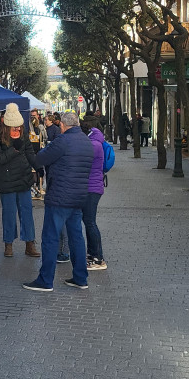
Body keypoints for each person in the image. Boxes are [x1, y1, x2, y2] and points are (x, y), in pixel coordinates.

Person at [22, 112, 93, 292]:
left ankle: (45, 280)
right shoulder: (86, 141)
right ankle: (80, 277)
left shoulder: (62, 141)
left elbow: (40, 159)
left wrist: (29, 148)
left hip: (60, 196)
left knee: (50, 237)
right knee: (76, 236)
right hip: (78, 196)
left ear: (62, 125)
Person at [56, 115, 108, 269]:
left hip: (91, 188)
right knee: (88, 221)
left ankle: (98, 258)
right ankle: (93, 255)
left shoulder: (93, 145)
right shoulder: (93, 143)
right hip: (89, 187)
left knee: (90, 222)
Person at [0, 103, 40, 258]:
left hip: (23, 178)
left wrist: (38, 166)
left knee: (27, 213)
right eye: (14, 127)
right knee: (9, 214)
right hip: (7, 180)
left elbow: (30, 153)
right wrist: (14, 149)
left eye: (19, 127)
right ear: (6, 125)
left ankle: (29, 243)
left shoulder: (23, 134)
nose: (17, 129)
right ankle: (8, 244)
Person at [29, 110, 48, 199]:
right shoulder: (28, 126)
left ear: (38, 116)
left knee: (39, 170)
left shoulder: (40, 127)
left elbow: (44, 137)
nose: (33, 117)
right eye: (31, 116)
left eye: (34, 116)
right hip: (30, 151)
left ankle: (38, 187)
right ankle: (33, 187)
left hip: (39, 152)